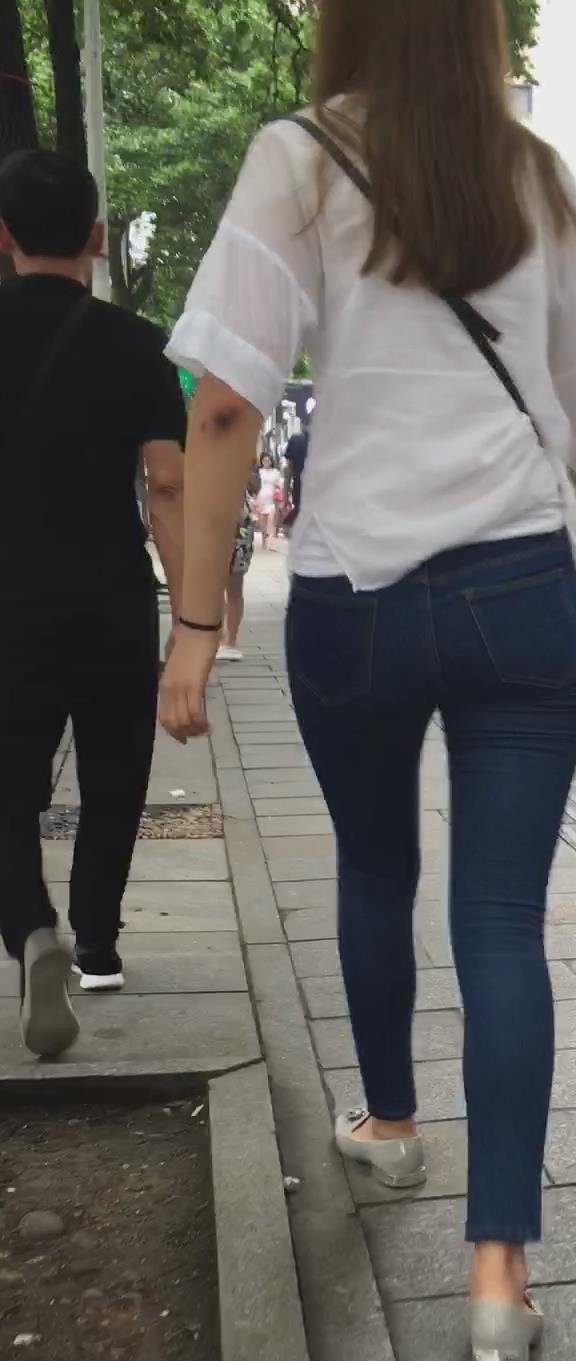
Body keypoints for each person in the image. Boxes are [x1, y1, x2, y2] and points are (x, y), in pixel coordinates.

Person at [159, 0, 576, 1361]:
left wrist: (193, 624)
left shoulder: (300, 158)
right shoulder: (537, 177)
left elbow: (223, 402)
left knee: (375, 871)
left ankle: (387, 1128)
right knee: (502, 923)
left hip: (358, 595)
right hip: (521, 589)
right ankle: (499, 1277)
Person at [0, 150, 185, 1053]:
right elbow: (169, 483)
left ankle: (30, 927)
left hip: (8, 599)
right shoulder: (140, 344)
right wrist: (196, 620)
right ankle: (99, 944)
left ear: (2, 235)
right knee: (115, 770)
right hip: (112, 594)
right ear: (97, 236)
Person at [219, 480, 257, 663]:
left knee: (233, 586)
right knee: (214, 587)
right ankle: (219, 637)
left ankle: (229, 641)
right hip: (213, 520)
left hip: (238, 524)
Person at [282, 417, 309, 531]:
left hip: (300, 488)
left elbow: (288, 470)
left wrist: (285, 496)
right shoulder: (327, 440)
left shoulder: (295, 440)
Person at [255, 450, 282, 547]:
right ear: (261, 461)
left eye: (268, 460)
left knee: (271, 521)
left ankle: (271, 543)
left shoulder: (276, 472)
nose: (266, 462)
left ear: (271, 461)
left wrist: (280, 498)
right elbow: (255, 485)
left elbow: (279, 485)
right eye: (264, 460)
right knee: (263, 522)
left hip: (272, 500)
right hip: (261, 498)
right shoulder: (259, 472)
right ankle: (264, 541)